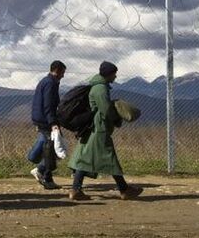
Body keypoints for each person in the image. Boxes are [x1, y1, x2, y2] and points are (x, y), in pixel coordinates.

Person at [67, 61, 143, 201]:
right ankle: (124, 190)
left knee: (84, 159)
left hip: (93, 127)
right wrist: (115, 119)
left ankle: (76, 189)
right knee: (109, 158)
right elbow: (106, 110)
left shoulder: (97, 86)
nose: (115, 76)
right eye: (114, 74)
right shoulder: (101, 88)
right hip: (99, 128)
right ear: (109, 74)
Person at [29, 60, 66, 190]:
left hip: (40, 118)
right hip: (46, 120)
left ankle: (45, 175)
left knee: (48, 148)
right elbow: (49, 105)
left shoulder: (45, 81)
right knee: (52, 148)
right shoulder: (51, 83)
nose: (63, 75)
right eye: (62, 72)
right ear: (58, 70)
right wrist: (53, 123)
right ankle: (43, 172)